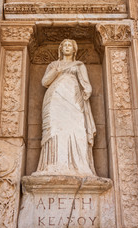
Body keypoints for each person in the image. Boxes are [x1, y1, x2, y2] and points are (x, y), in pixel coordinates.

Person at [33, 39, 96, 176]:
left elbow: (86, 83)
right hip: (55, 99)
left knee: (77, 128)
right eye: (64, 45)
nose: (67, 47)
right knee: (55, 128)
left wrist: (88, 90)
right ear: (61, 49)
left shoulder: (79, 65)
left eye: (70, 46)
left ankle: (80, 166)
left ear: (74, 50)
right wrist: (56, 71)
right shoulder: (53, 65)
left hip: (73, 99)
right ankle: (53, 165)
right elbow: (45, 82)